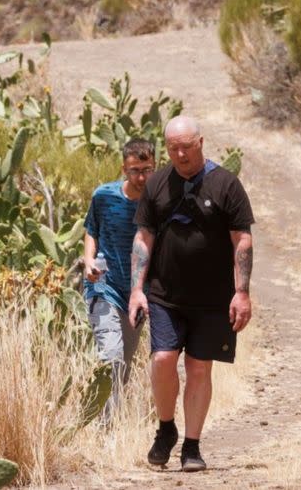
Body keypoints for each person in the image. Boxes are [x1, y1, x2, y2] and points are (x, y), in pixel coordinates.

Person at [128, 115, 255, 472]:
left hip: (214, 298)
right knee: (163, 359)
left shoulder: (226, 184)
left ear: (200, 142)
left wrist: (241, 293)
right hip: (164, 294)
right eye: (172, 148)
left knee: (199, 369)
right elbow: (143, 238)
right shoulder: (157, 185)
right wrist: (136, 290)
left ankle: (192, 447)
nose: (180, 154)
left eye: (186, 147)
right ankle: (166, 429)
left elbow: (242, 240)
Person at [83, 138, 156, 422]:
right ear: (123, 169)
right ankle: (106, 431)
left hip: (137, 292)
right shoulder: (104, 196)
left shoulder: (159, 202)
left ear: (155, 166)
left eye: (147, 169)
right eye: (134, 170)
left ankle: (106, 421)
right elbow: (92, 230)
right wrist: (89, 260)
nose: (140, 177)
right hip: (103, 286)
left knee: (123, 362)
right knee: (110, 354)